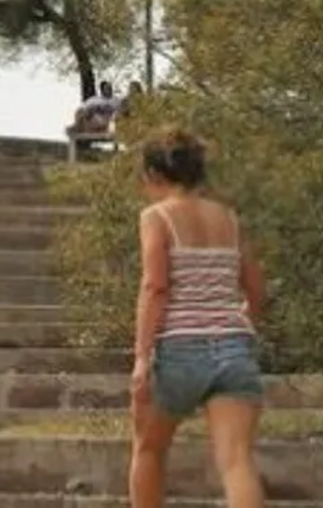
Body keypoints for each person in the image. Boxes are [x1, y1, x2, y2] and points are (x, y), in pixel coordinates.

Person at [129, 131, 268, 508]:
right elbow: (255, 286)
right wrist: (241, 324)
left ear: (155, 174)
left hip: (178, 350)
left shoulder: (156, 216)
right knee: (236, 462)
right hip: (233, 350)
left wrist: (142, 357)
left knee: (149, 451)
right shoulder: (229, 218)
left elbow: (155, 286)